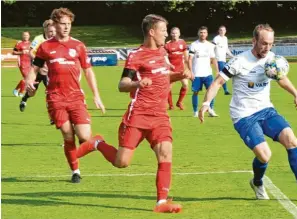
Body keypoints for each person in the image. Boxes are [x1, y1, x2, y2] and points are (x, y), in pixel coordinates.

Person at [75, 14, 191, 213]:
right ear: (152, 32)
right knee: (122, 162)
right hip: (138, 115)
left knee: (165, 153)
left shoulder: (163, 52)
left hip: (160, 115)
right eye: (163, 30)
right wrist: (138, 83)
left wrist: (179, 75)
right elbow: (122, 85)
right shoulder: (135, 55)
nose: (166, 33)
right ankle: (97, 143)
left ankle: (161, 203)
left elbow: (163, 77)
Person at [199, 24, 297, 201]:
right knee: (265, 156)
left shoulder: (272, 59)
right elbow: (217, 82)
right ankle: (257, 182)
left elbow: (280, 78)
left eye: (271, 44)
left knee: (292, 141)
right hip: (243, 115)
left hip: (266, 110)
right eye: (264, 43)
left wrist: (296, 94)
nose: (267, 48)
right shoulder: (239, 61)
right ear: (254, 41)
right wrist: (206, 102)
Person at [25, 8, 106, 183]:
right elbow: (34, 69)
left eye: (69, 24)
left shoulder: (78, 46)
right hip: (55, 97)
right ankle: (75, 171)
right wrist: (29, 82)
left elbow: (88, 71)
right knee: (68, 135)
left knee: (85, 137)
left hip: (76, 97)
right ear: (54, 24)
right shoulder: (45, 47)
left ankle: (96, 141)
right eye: (63, 24)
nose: (66, 27)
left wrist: (96, 95)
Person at [19, 19, 56, 112]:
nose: (53, 33)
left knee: (51, 91)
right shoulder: (39, 39)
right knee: (32, 92)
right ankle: (24, 99)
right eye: (51, 31)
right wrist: (41, 63)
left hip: (50, 70)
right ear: (45, 30)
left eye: (55, 31)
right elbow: (31, 52)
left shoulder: (56, 40)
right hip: (37, 69)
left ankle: (51, 114)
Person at [189, 26, 219, 117]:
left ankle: (210, 109)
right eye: (201, 32)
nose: (203, 34)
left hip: (207, 73)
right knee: (195, 92)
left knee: (211, 91)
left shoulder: (210, 45)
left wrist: (217, 71)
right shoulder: (194, 44)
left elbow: (213, 59)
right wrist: (191, 72)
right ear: (198, 33)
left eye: (204, 32)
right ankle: (195, 111)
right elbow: (190, 59)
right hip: (196, 74)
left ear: (207, 34)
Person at [164, 27, 189, 110]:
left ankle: (179, 102)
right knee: (168, 88)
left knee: (185, 84)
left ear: (179, 33)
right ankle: (171, 105)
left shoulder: (182, 42)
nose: (175, 35)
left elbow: (186, 55)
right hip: (171, 70)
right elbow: (165, 57)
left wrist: (187, 66)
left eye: (176, 33)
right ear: (171, 34)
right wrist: (169, 64)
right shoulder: (167, 44)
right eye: (173, 33)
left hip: (181, 69)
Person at [212, 25, 234, 95]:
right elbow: (211, 48)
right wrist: (213, 57)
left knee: (220, 75)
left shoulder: (225, 38)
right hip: (218, 60)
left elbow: (226, 49)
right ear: (218, 31)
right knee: (223, 75)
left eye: (223, 30)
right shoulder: (216, 38)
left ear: (225, 31)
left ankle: (213, 87)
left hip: (223, 60)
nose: (222, 31)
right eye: (221, 30)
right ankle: (225, 90)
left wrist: (232, 56)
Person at [12, 31, 31, 97]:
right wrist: (21, 52)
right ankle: (18, 91)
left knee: (29, 79)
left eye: (27, 35)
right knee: (26, 78)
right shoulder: (19, 44)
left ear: (29, 36)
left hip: (30, 63)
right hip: (22, 63)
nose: (26, 36)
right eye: (24, 35)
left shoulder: (31, 44)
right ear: (22, 36)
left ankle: (19, 91)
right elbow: (13, 52)